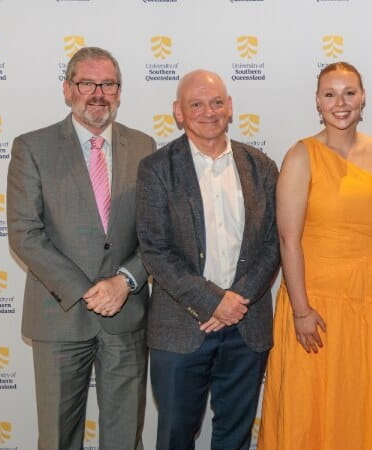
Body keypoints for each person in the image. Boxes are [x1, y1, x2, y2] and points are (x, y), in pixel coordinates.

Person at [6, 46, 155, 449]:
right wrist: (89, 290)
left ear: (119, 92)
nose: (98, 94)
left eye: (108, 84)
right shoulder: (31, 147)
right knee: (57, 437)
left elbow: (155, 234)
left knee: (125, 437)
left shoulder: (144, 146)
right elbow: (24, 232)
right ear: (68, 89)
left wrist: (124, 282)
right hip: (60, 315)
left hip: (126, 315)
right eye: (87, 83)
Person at [135, 70, 279, 450]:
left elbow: (272, 244)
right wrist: (214, 301)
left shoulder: (261, 167)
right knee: (174, 437)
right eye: (195, 104)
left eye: (217, 102)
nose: (208, 112)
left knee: (235, 437)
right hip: (180, 329)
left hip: (247, 327)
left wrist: (236, 300)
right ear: (178, 113)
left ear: (230, 107)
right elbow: (155, 248)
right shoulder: (156, 169)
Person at [258, 62, 372, 450]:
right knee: (311, 404)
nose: (341, 103)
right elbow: (288, 239)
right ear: (318, 102)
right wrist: (300, 310)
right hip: (316, 300)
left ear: (363, 98)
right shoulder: (302, 155)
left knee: (364, 398)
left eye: (349, 93)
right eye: (330, 94)